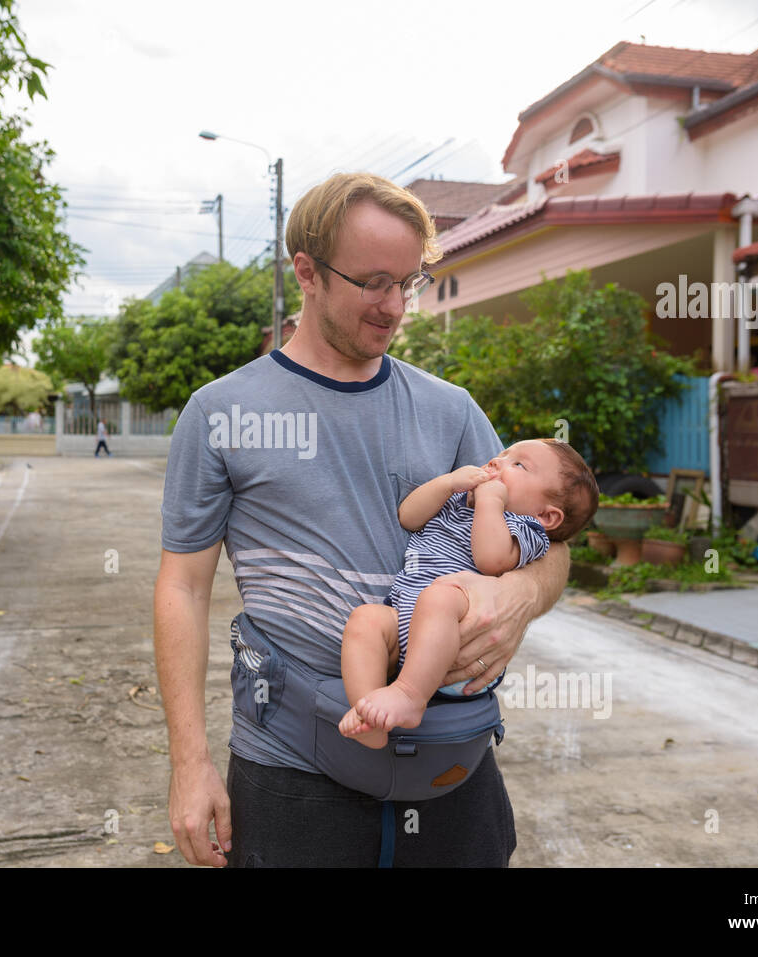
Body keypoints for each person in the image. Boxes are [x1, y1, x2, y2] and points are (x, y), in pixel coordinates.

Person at [154, 172, 570, 868]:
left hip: (451, 770)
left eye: (408, 283)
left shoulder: (452, 409)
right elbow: (183, 588)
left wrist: (522, 596)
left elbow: (549, 549)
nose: (394, 307)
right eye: (374, 281)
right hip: (292, 772)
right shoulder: (221, 413)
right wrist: (188, 762)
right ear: (307, 272)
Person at [339, 440, 598, 747]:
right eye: (502, 455)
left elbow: (490, 560)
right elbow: (408, 516)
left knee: (442, 595)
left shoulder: (526, 529)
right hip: (409, 628)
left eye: (518, 465)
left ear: (546, 516)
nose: (497, 462)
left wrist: (490, 502)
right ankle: (368, 714)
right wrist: (448, 483)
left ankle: (409, 696)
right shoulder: (459, 502)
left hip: (459, 644)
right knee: (366, 619)